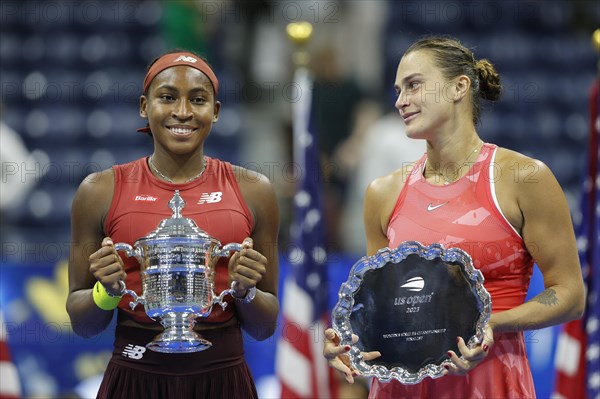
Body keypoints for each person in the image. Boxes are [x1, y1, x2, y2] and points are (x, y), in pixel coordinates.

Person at [323, 36, 585, 398]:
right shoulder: (382, 193)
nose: (400, 101)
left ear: (459, 87)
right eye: (398, 90)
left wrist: (490, 324)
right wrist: (350, 338)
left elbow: (570, 294)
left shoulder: (525, 178)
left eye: (414, 85)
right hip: (401, 387)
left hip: (489, 381)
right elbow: (381, 305)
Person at [66, 50, 280, 399]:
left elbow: (264, 327)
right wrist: (108, 291)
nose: (182, 112)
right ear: (143, 106)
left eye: (198, 100)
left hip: (224, 380)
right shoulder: (98, 191)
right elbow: (83, 324)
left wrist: (246, 291)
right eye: (167, 97)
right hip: (134, 376)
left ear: (216, 111)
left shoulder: (255, 191)